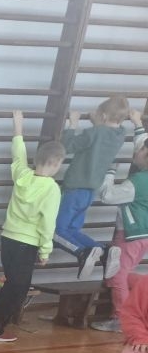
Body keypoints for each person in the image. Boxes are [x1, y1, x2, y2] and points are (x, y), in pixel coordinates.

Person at [0, 111, 65, 343]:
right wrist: (45, 251)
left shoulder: (22, 175)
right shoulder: (51, 189)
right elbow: (47, 222)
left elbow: (18, 155)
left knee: (13, 283)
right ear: (56, 163)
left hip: (8, 238)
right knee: (19, 288)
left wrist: (18, 129)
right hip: (27, 243)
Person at [55, 96, 131, 279]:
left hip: (74, 189)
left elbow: (67, 146)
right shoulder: (119, 136)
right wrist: (99, 121)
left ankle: (83, 252)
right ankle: (104, 250)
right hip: (90, 192)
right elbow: (107, 130)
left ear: (103, 116)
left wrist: (73, 124)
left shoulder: (93, 133)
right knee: (72, 230)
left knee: (57, 231)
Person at [91, 108, 147, 335]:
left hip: (130, 235)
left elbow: (108, 196)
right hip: (141, 235)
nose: (137, 150)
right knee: (122, 274)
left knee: (116, 276)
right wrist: (138, 124)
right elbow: (144, 145)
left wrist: (109, 172)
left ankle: (122, 320)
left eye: (141, 150)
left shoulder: (138, 182)